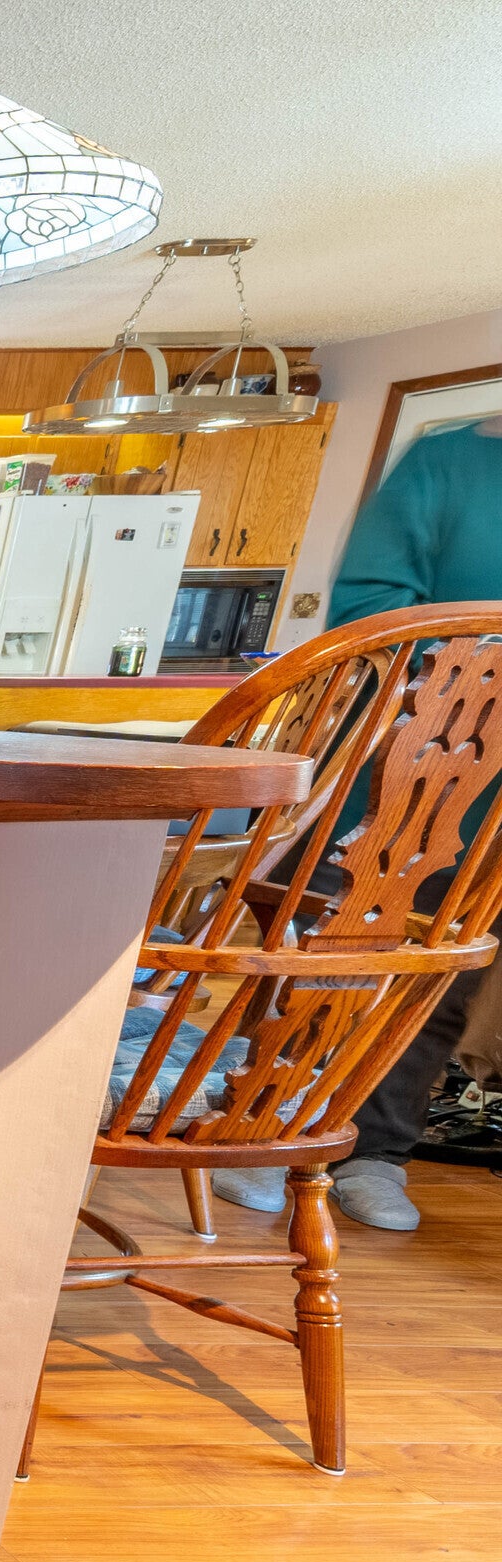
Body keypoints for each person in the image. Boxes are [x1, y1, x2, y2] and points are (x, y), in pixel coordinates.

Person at [216, 414, 502, 1231]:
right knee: (334, 951)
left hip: (494, 811)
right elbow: (372, 610)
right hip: (404, 765)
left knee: (443, 977)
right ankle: (264, 1128)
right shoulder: (445, 464)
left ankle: (377, 1151)